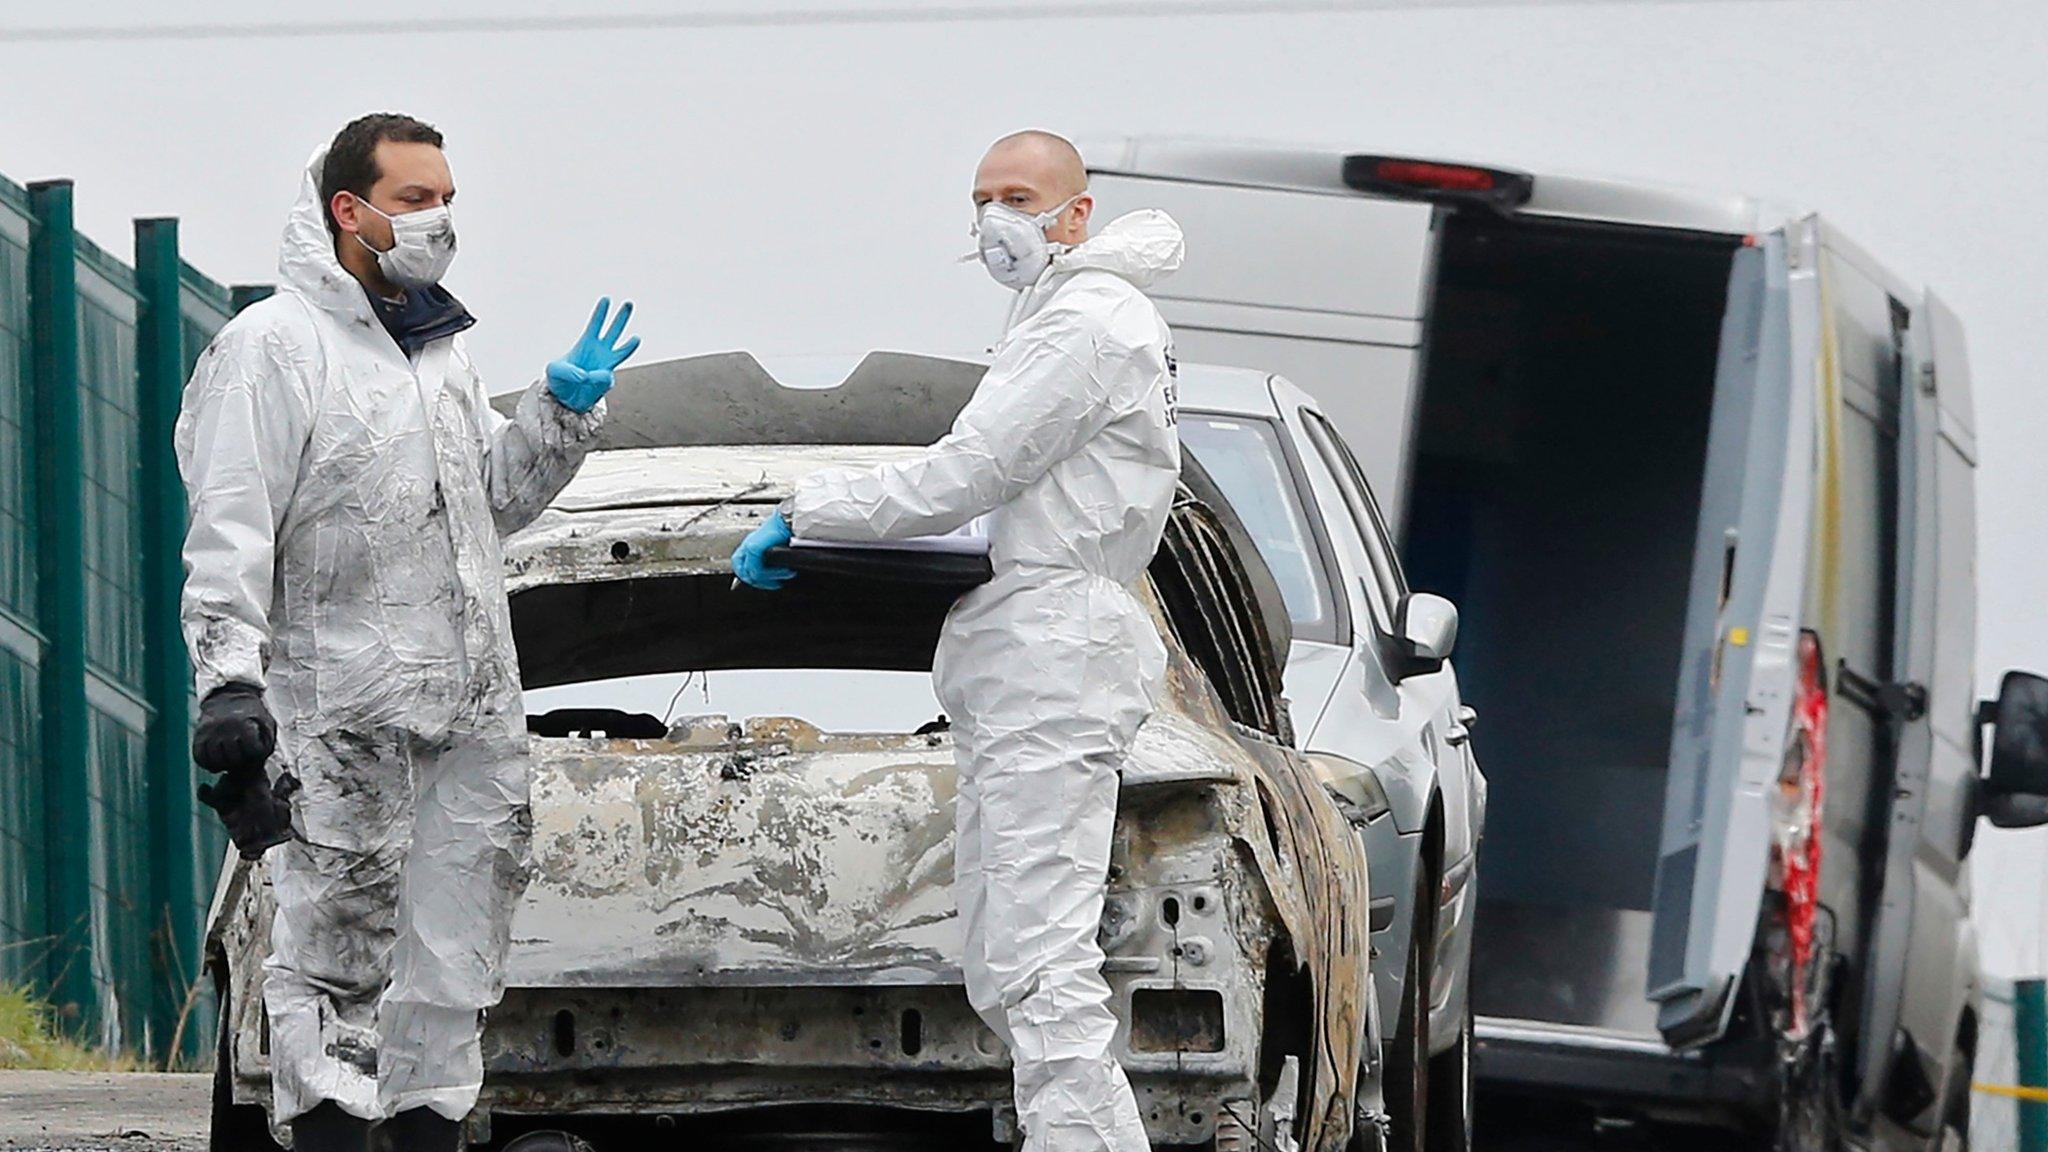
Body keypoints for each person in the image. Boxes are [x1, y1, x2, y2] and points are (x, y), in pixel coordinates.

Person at [177, 113, 639, 1152]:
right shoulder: (273, 350)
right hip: (340, 705)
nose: (440, 220)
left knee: (452, 957)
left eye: (446, 199)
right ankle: (335, 1135)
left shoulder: (440, 348)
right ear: (352, 210)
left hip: (469, 709)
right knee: (335, 954)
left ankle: (430, 1131)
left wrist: (559, 420)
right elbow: (229, 530)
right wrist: (229, 684)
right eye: (417, 199)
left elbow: (491, 504)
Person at [732, 129, 1184, 1152]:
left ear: (1075, 214)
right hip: (1036, 648)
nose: (992, 219)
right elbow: (998, 497)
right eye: (980, 197)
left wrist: (807, 510)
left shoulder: (1089, 323)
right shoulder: (1066, 316)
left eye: (1016, 196)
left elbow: (966, 473)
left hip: (1054, 652)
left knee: (1037, 965)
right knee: (1005, 963)